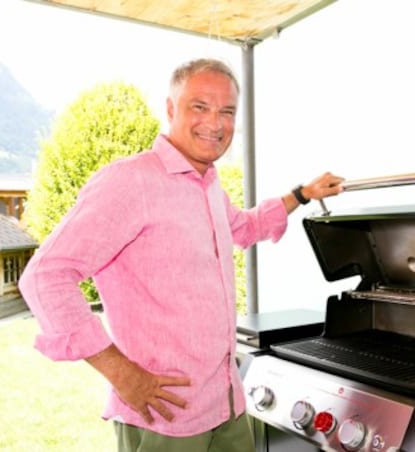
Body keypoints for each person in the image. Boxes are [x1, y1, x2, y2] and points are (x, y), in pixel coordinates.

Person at [18, 58, 344, 452]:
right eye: (199, 107)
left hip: (225, 404)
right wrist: (121, 373)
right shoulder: (131, 180)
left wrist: (302, 195)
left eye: (227, 111)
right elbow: (45, 276)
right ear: (171, 109)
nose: (216, 122)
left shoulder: (207, 185)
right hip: (166, 416)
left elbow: (243, 227)